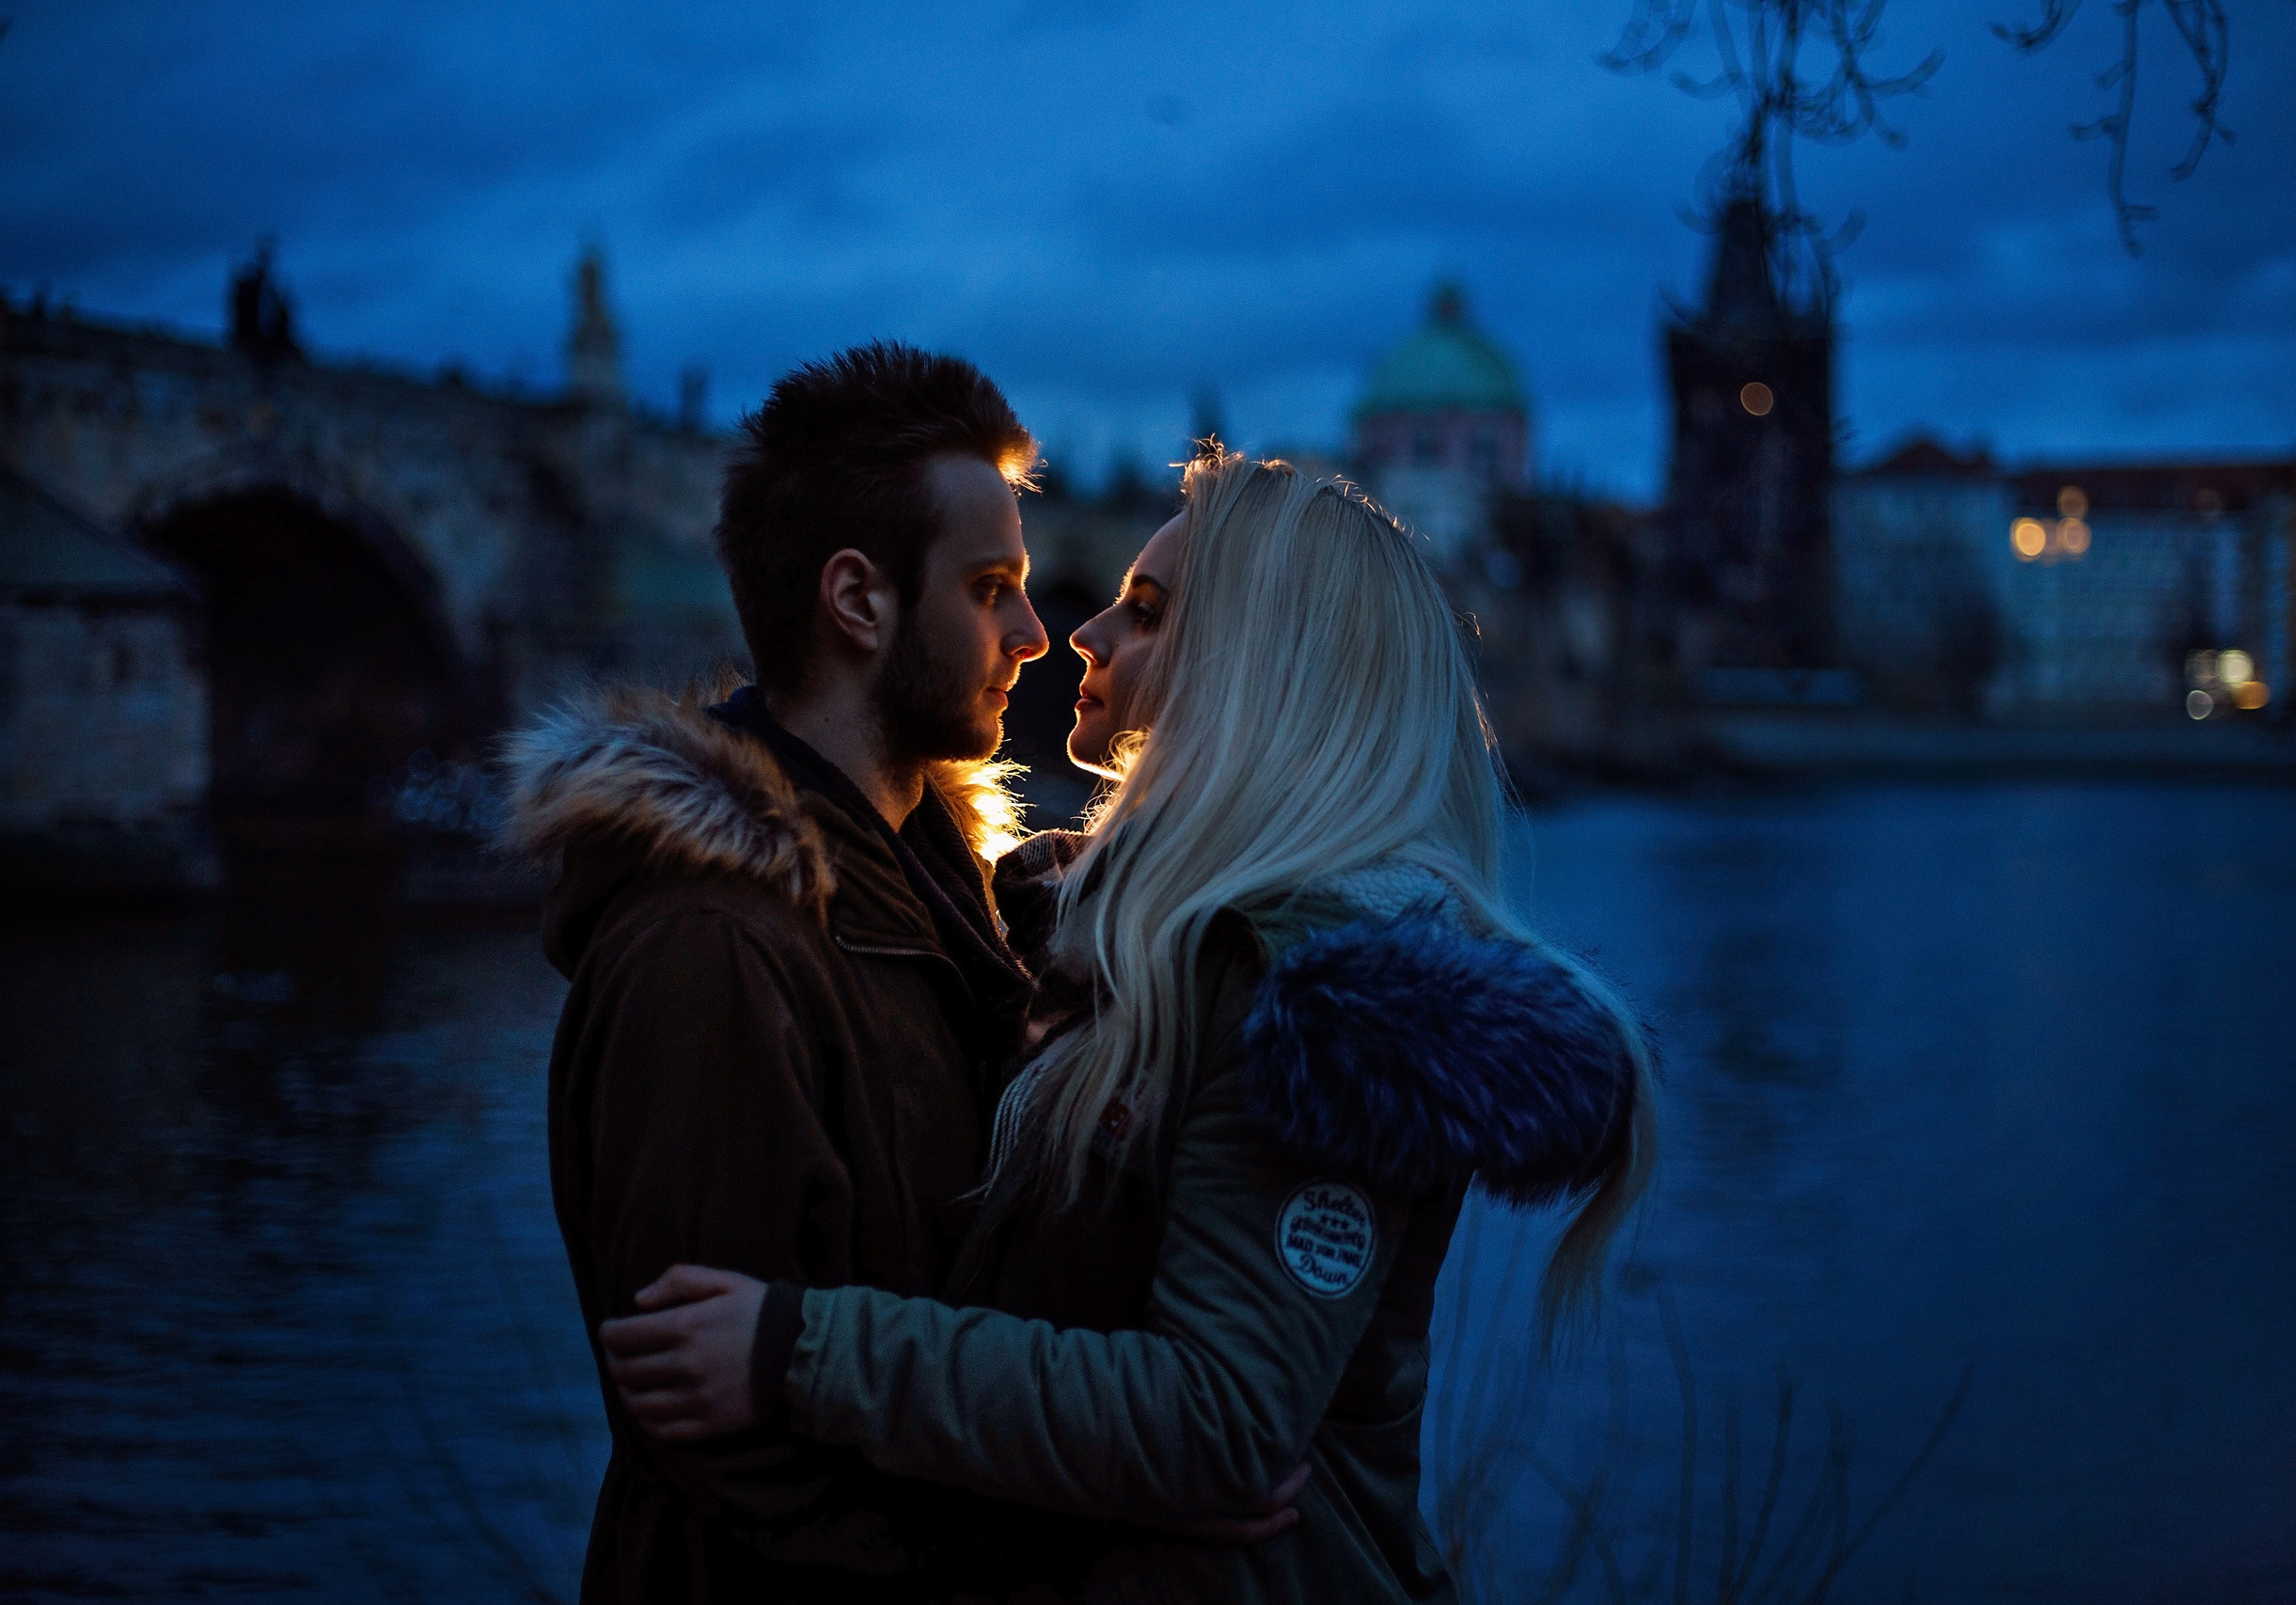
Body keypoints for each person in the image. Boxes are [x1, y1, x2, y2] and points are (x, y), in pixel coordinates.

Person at [598, 448, 1659, 1602]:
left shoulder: (1314, 999)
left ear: (1263, 668)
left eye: (1145, 612)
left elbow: (1219, 1426)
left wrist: (802, 1350)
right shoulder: (1121, 948)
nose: (1079, 634)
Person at [499, 341, 1054, 1602]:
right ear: (858, 602)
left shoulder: (936, 896)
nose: (1033, 631)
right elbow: (721, 1442)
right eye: (989, 588)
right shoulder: (714, 952)